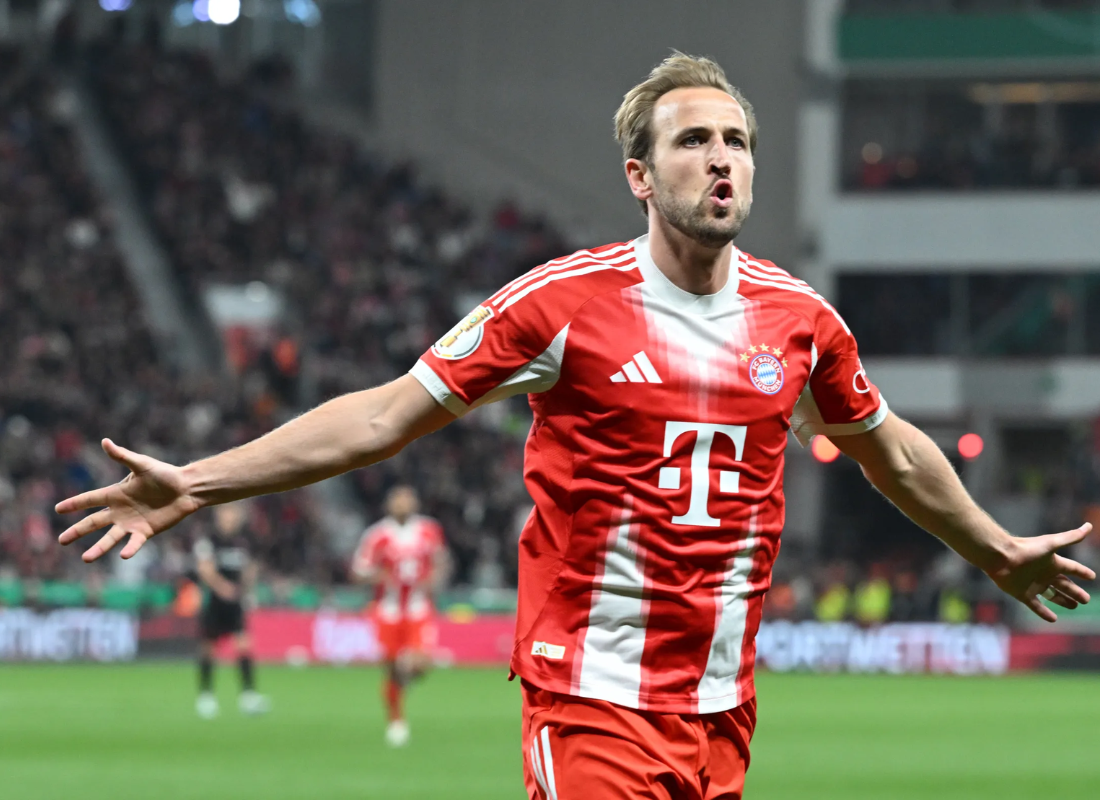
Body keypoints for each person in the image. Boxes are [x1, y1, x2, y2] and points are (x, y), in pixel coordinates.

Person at [56, 53, 1094, 799]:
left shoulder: (800, 320)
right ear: (640, 176)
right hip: (591, 699)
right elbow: (382, 415)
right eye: (694, 140)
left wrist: (989, 545)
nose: (722, 159)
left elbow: (890, 447)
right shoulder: (559, 304)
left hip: (721, 707)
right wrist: (200, 480)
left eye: (736, 141)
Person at [350, 485, 448, 747]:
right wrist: (378, 576)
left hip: (418, 608)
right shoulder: (377, 535)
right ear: (389, 505)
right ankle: (396, 720)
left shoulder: (429, 530)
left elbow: (440, 561)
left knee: (421, 664)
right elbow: (359, 571)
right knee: (391, 667)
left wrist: (435, 580)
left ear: (415, 503)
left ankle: (406, 678)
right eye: (398, 500)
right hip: (388, 610)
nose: (403, 504)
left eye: (407, 500)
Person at [192, 502, 270, 719]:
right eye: (226, 513)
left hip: (236, 602)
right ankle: (206, 696)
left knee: (244, 645)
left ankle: (248, 696)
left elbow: (251, 567)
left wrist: (247, 585)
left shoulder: (245, 540)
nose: (230, 518)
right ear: (219, 515)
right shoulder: (209, 539)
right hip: (215, 602)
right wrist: (222, 587)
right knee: (208, 649)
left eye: (233, 514)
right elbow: (205, 569)